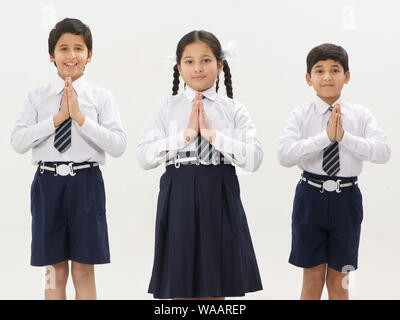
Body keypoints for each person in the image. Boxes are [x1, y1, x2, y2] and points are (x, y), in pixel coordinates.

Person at [137, 30, 263, 299]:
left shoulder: (233, 109)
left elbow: (254, 158)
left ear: (220, 65)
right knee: (180, 278)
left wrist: (211, 134)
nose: (197, 68)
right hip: (178, 192)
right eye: (189, 61)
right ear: (179, 67)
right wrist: (185, 135)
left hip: (220, 190)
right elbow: (144, 157)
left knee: (216, 278)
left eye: (205, 60)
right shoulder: (165, 108)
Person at [10, 18, 127, 300]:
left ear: (90, 54)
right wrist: (58, 119)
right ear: (52, 56)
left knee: (84, 269)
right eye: (63, 48)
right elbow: (18, 141)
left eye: (79, 48)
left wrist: (80, 118)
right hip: (47, 183)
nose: (71, 55)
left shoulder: (101, 97)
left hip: (86, 182)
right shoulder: (37, 96)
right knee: (53, 269)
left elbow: (119, 145)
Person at [278, 43, 391, 300]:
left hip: (346, 200)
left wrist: (344, 137)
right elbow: (285, 155)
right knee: (312, 278)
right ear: (309, 78)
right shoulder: (300, 115)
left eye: (335, 70)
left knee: (340, 281)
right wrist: (325, 138)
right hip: (310, 196)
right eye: (319, 70)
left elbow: (383, 152)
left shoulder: (361, 115)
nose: (327, 76)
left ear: (347, 76)